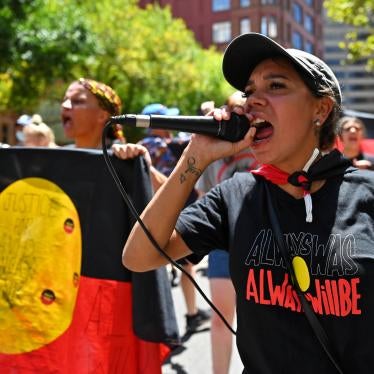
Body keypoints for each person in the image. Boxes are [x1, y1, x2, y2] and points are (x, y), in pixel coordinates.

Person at [123, 32, 374, 373]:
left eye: (276, 86)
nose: (253, 101)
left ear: (321, 108)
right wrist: (195, 157)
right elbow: (139, 256)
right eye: (249, 91)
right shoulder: (236, 195)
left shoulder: (366, 193)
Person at [196, 91, 258, 374]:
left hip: (266, 241)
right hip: (226, 243)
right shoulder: (214, 152)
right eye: (236, 111)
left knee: (263, 323)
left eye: (249, 110)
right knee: (221, 318)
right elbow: (203, 199)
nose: (243, 117)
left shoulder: (271, 145)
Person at [138, 103, 211, 335]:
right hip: (176, 214)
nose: (172, 126)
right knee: (187, 267)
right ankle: (191, 315)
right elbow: (200, 140)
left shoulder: (140, 148)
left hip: (148, 217)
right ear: (157, 124)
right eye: (167, 121)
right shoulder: (170, 146)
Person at [61, 78, 126, 149]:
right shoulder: (60, 156)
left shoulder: (121, 157)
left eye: (77, 101)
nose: (64, 105)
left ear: (102, 116)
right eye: (64, 99)